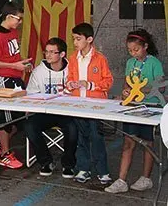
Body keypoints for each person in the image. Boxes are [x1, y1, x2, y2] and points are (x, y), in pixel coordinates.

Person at [105, 29, 163, 194]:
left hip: (150, 107)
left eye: (136, 50)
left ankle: (146, 178)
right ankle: (121, 180)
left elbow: (161, 86)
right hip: (133, 107)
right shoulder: (131, 63)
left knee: (148, 144)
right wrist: (126, 91)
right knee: (128, 142)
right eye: (130, 50)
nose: (133, 53)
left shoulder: (154, 63)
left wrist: (142, 89)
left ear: (145, 46)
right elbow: (126, 83)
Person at [66, 22, 113, 185]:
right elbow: (69, 78)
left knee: (97, 137)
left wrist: (90, 85)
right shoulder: (72, 58)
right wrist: (70, 84)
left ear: (90, 39)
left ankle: (103, 171)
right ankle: (83, 168)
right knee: (81, 138)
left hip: (95, 106)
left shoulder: (100, 59)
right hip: (78, 104)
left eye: (78, 39)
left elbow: (108, 81)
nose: (75, 43)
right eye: (74, 39)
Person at [0, 1, 31, 169]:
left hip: (17, 78)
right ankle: (4, 153)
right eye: (18, 19)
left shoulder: (12, 32)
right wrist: (14, 66)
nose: (20, 23)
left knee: (19, 119)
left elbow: (12, 56)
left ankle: (0, 139)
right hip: (5, 81)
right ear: (8, 17)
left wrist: (21, 64)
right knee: (6, 119)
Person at [23, 37, 77, 178]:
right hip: (45, 112)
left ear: (62, 54)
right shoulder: (38, 72)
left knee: (73, 128)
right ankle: (46, 162)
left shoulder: (73, 69)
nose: (48, 55)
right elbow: (31, 95)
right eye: (46, 52)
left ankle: (68, 164)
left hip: (67, 111)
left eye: (52, 52)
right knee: (29, 125)